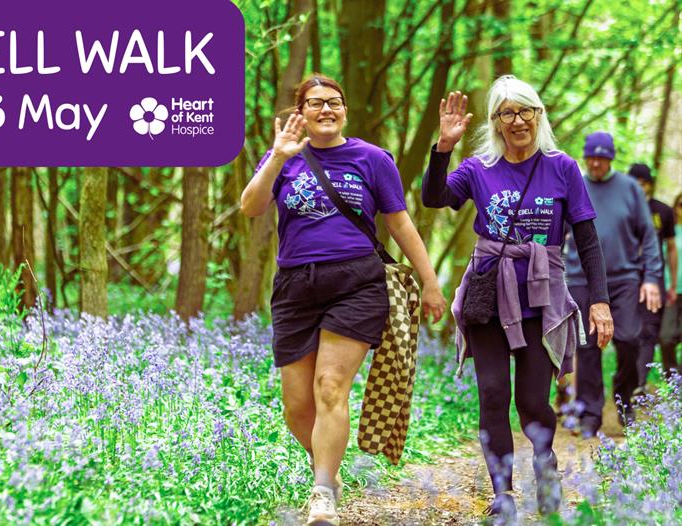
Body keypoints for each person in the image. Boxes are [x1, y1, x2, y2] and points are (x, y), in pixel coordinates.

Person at [240, 74, 447, 526]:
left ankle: (322, 493)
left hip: (356, 281)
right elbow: (251, 207)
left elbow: (400, 224)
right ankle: (328, 471)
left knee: (330, 388)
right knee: (297, 405)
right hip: (295, 286)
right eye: (315, 104)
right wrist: (277, 157)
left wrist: (430, 283)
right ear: (301, 113)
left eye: (334, 102)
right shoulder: (283, 159)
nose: (326, 110)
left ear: (345, 110)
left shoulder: (372, 160)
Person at [421, 76, 612, 520]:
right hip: (488, 294)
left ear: (538, 115)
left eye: (526, 110)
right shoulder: (478, 168)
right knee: (491, 394)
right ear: (496, 121)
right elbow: (434, 197)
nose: (518, 120)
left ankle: (546, 470)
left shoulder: (562, 167)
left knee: (531, 401)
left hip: (542, 300)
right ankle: (502, 493)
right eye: (508, 112)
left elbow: (586, 238)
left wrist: (598, 301)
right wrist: (443, 148)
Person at [564, 132, 662, 436]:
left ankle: (624, 398)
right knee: (588, 347)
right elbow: (556, 231)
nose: (595, 163)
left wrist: (652, 278)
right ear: (584, 156)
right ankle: (590, 415)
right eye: (591, 156)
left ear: (611, 158)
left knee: (631, 339)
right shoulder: (574, 184)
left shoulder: (630, 189)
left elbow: (648, 237)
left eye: (602, 157)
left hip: (624, 278)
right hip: (581, 277)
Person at [628, 163, 677, 389]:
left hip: (654, 278)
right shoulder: (621, 209)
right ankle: (626, 380)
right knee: (629, 330)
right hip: (625, 278)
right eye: (635, 184)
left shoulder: (663, 211)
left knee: (649, 330)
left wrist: (672, 283)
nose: (640, 189)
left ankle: (639, 383)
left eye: (644, 184)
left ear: (649, 185)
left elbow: (671, 247)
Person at [659, 192, 682, 377]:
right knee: (666, 337)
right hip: (672, 291)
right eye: (681, 204)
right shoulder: (670, 231)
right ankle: (672, 378)